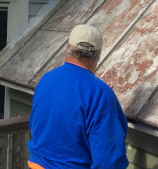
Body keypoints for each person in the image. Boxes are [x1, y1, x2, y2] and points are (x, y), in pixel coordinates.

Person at [28, 24, 128, 169]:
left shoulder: (46, 79)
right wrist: (102, 95)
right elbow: (109, 161)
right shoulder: (100, 94)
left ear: (67, 48)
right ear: (98, 55)